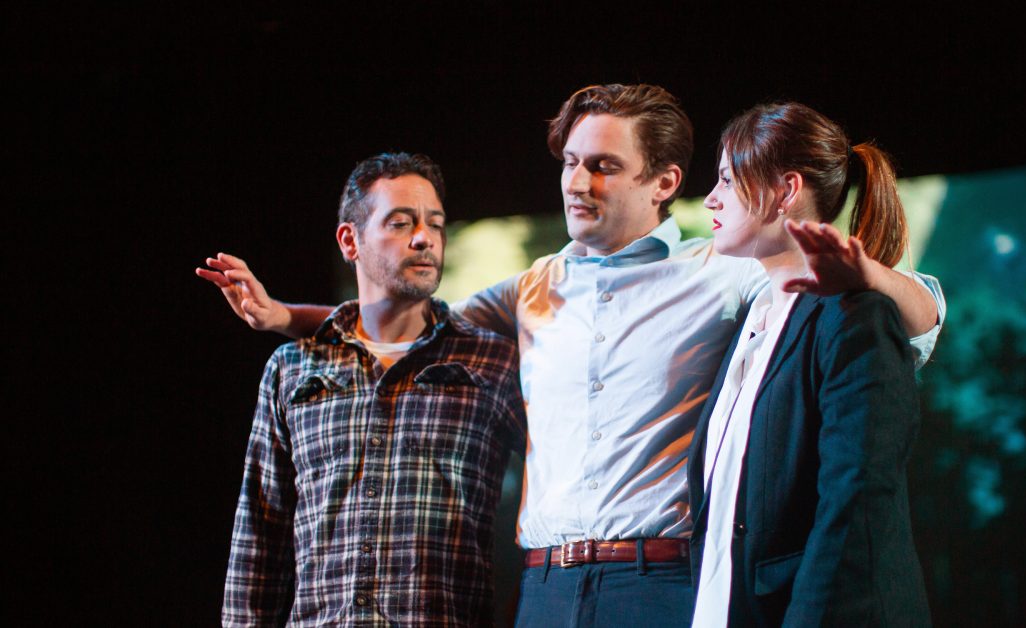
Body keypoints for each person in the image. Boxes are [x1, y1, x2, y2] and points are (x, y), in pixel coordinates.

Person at [201, 84, 944, 628]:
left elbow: (921, 311)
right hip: (546, 591)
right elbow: (418, 322)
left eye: (603, 167)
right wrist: (283, 316)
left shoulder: (726, 269)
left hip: (661, 583)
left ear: (663, 183)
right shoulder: (534, 288)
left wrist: (869, 276)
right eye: (571, 163)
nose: (576, 183)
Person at [209, 152, 525, 627]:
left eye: (435, 224)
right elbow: (260, 533)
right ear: (349, 240)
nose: (424, 238)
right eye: (400, 223)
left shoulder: (491, 364)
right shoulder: (293, 367)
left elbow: (555, 505)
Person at [688, 102, 932, 626]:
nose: (711, 197)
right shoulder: (751, 320)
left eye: (728, 180)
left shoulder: (853, 316)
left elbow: (855, 500)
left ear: (786, 190)